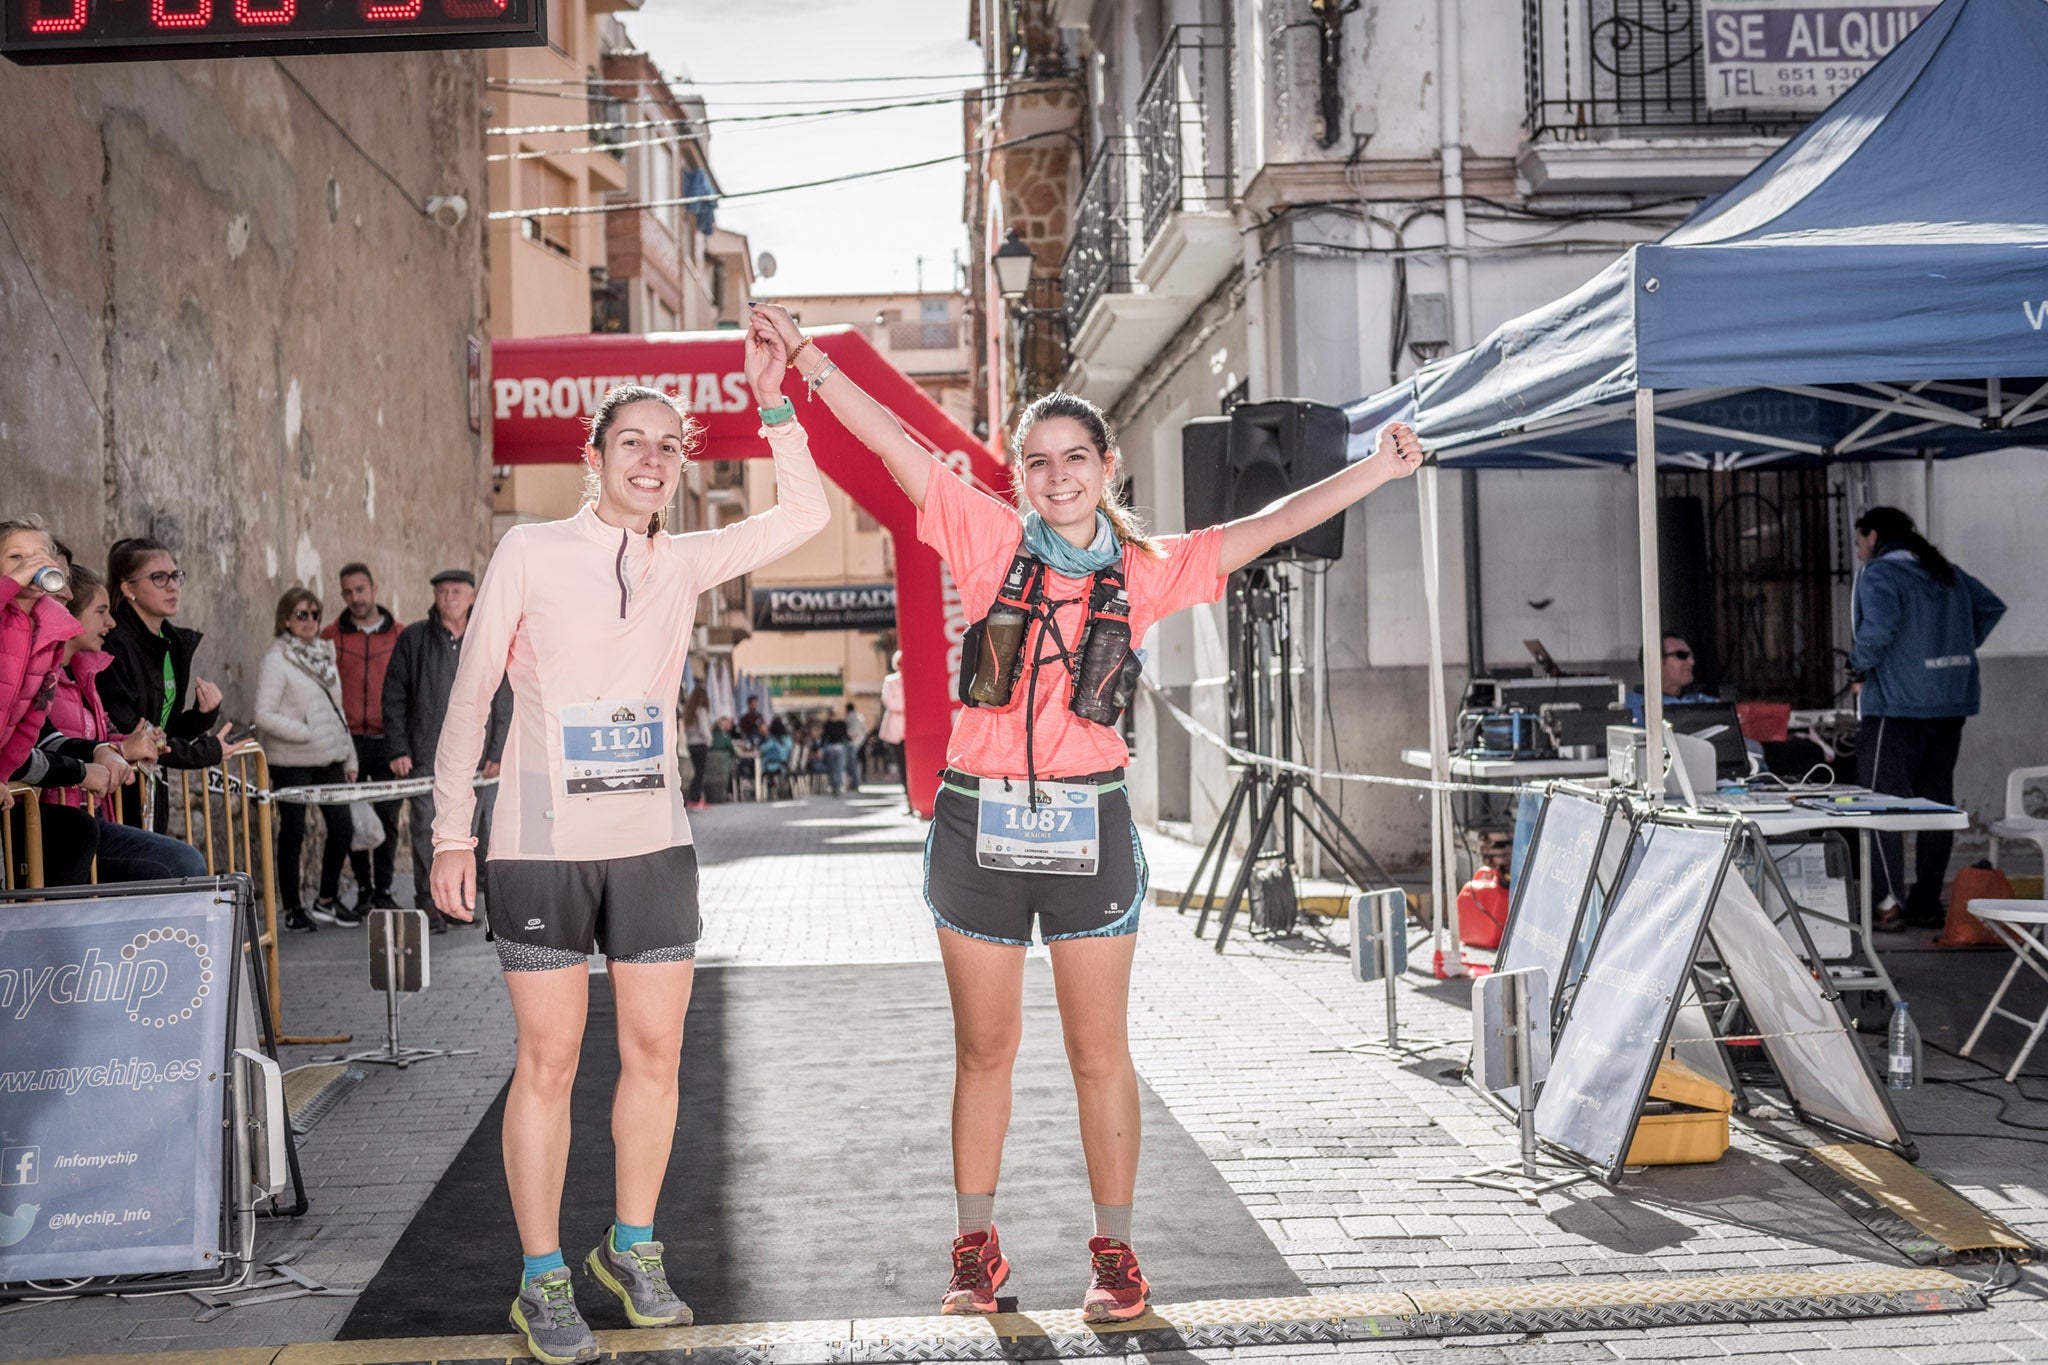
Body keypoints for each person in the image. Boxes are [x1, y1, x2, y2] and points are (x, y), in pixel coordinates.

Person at [747, 301, 1424, 1321]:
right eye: (1038, 462)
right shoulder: (983, 536)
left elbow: (1270, 525)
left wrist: (1377, 467)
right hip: (979, 826)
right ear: (1018, 475)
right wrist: (806, 360)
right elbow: (896, 446)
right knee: (983, 1051)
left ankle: (1113, 1252)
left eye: (1075, 458)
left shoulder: (1146, 570)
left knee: (1096, 1053)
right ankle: (976, 1249)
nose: (1057, 477)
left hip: (1087, 829)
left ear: (1107, 467)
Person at [426, 310, 827, 1365]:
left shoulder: (687, 561)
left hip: (651, 841)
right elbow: (470, 700)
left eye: (668, 445)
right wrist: (448, 836)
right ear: (591, 456)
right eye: (630, 442)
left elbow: (808, 508)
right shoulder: (531, 549)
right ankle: (542, 1276)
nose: (651, 460)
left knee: (655, 1052)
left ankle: (631, 1248)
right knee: (550, 1059)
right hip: (539, 844)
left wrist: (775, 403)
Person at [1850, 506, 2005, 931]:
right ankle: (1925, 902)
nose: (1858, 550)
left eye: (1860, 540)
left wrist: (1857, 668)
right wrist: (1955, 642)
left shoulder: (1881, 575)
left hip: (1897, 708)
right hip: (1951, 703)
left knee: (1879, 805)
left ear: (1874, 535)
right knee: (1937, 806)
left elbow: (1877, 632)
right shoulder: (1944, 572)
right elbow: (1990, 607)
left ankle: (1887, 904)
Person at [39, 564, 206, 883]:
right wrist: (121, 747)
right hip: (64, 826)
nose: (110, 622)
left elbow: (94, 735)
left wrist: (132, 742)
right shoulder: (47, 679)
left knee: (183, 864)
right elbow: (44, 746)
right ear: (69, 616)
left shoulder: (84, 673)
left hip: (95, 817)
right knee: (180, 865)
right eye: (100, 611)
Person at [384, 569, 511, 932]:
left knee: (478, 833)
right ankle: (431, 903)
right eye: (442, 591)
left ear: (472, 596)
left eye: (457, 591)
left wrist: (498, 750)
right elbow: (394, 696)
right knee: (429, 831)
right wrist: (398, 747)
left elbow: (505, 696)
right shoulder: (414, 639)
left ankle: (465, 902)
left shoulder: (488, 637)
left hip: (481, 757)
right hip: (427, 755)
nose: (449, 597)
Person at [99, 536, 245, 833]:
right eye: (159, 578)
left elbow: (165, 729)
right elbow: (132, 735)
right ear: (128, 588)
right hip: (116, 790)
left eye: (176, 576)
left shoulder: (171, 644)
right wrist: (206, 752)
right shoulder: (114, 644)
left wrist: (203, 714)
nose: (173, 586)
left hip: (152, 788)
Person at [257, 588, 360, 932]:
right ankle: (293, 909)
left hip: (329, 756)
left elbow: (337, 712)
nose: (310, 621)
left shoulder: (323, 655)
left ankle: (326, 899)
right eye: (301, 614)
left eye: (315, 614)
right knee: (294, 833)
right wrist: (305, 731)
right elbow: (264, 714)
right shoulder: (277, 659)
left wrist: (349, 757)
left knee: (343, 827)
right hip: (291, 760)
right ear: (286, 618)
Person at [323, 561, 403, 911]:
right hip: (349, 742)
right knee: (354, 819)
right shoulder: (330, 638)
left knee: (387, 818)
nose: (355, 598)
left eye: (360, 590)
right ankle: (364, 892)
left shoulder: (400, 635)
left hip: (389, 741)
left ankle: (384, 891)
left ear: (374, 589)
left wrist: (405, 743)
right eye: (348, 592)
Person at [1624, 632, 1716, 725]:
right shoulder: (1629, 709)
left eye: (1691, 656)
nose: (1691, 662)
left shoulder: (1707, 703)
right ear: (1655, 661)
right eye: (1681, 655)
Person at [879, 650, 907, 797]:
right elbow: (890, 703)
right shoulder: (890, 681)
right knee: (902, 765)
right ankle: (907, 796)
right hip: (896, 731)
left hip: (910, 731)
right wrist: (906, 707)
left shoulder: (914, 679)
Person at [682, 684, 713, 810]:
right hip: (701, 744)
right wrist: (709, 740)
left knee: (695, 773)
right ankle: (696, 800)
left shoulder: (689, 711)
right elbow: (703, 729)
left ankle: (692, 799)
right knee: (700, 774)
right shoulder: (701, 711)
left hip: (691, 744)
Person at [819, 708, 852, 796]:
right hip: (840, 748)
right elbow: (846, 737)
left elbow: (823, 738)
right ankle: (837, 787)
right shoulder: (842, 724)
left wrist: (821, 748)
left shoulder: (827, 724)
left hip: (830, 748)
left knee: (832, 769)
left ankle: (834, 786)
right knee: (839, 769)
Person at [844, 700, 869, 790]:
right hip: (860, 743)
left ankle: (854, 783)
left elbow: (850, 732)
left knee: (851, 764)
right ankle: (856, 782)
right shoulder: (860, 717)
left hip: (851, 744)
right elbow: (864, 731)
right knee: (856, 764)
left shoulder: (848, 718)